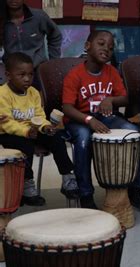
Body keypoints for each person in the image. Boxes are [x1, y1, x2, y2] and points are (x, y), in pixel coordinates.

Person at [62, 30, 140, 210]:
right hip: (79, 120)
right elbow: (67, 108)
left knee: (132, 133)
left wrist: (110, 100)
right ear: (87, 46)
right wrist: (88, 120)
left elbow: (124, 98)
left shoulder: (112, 72)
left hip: (105, 118)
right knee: (84, 137)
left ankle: (135, 189)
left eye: (110, 47)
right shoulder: (75, 74)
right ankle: (86, 194)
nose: (106, 49)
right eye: (101, 44)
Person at [0, 52, 79, 206]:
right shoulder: (2, 94)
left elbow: (39, 116)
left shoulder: (34, 93)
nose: (27, 79)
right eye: (21, 75)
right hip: (9, 133)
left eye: (30, 74)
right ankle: (28, 186)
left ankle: (67, 178)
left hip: (32, 130)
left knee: (56, 138)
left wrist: (45, 127)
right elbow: (6, 123)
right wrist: (26, 132)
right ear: (9, 75)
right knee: (26, 145)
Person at [2, 0, 62, 89]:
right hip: (12, 73)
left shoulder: (38, 16)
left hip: (37, 71)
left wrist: (53, 62)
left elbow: (55, 35)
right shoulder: (1, 19)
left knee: (40, 99)